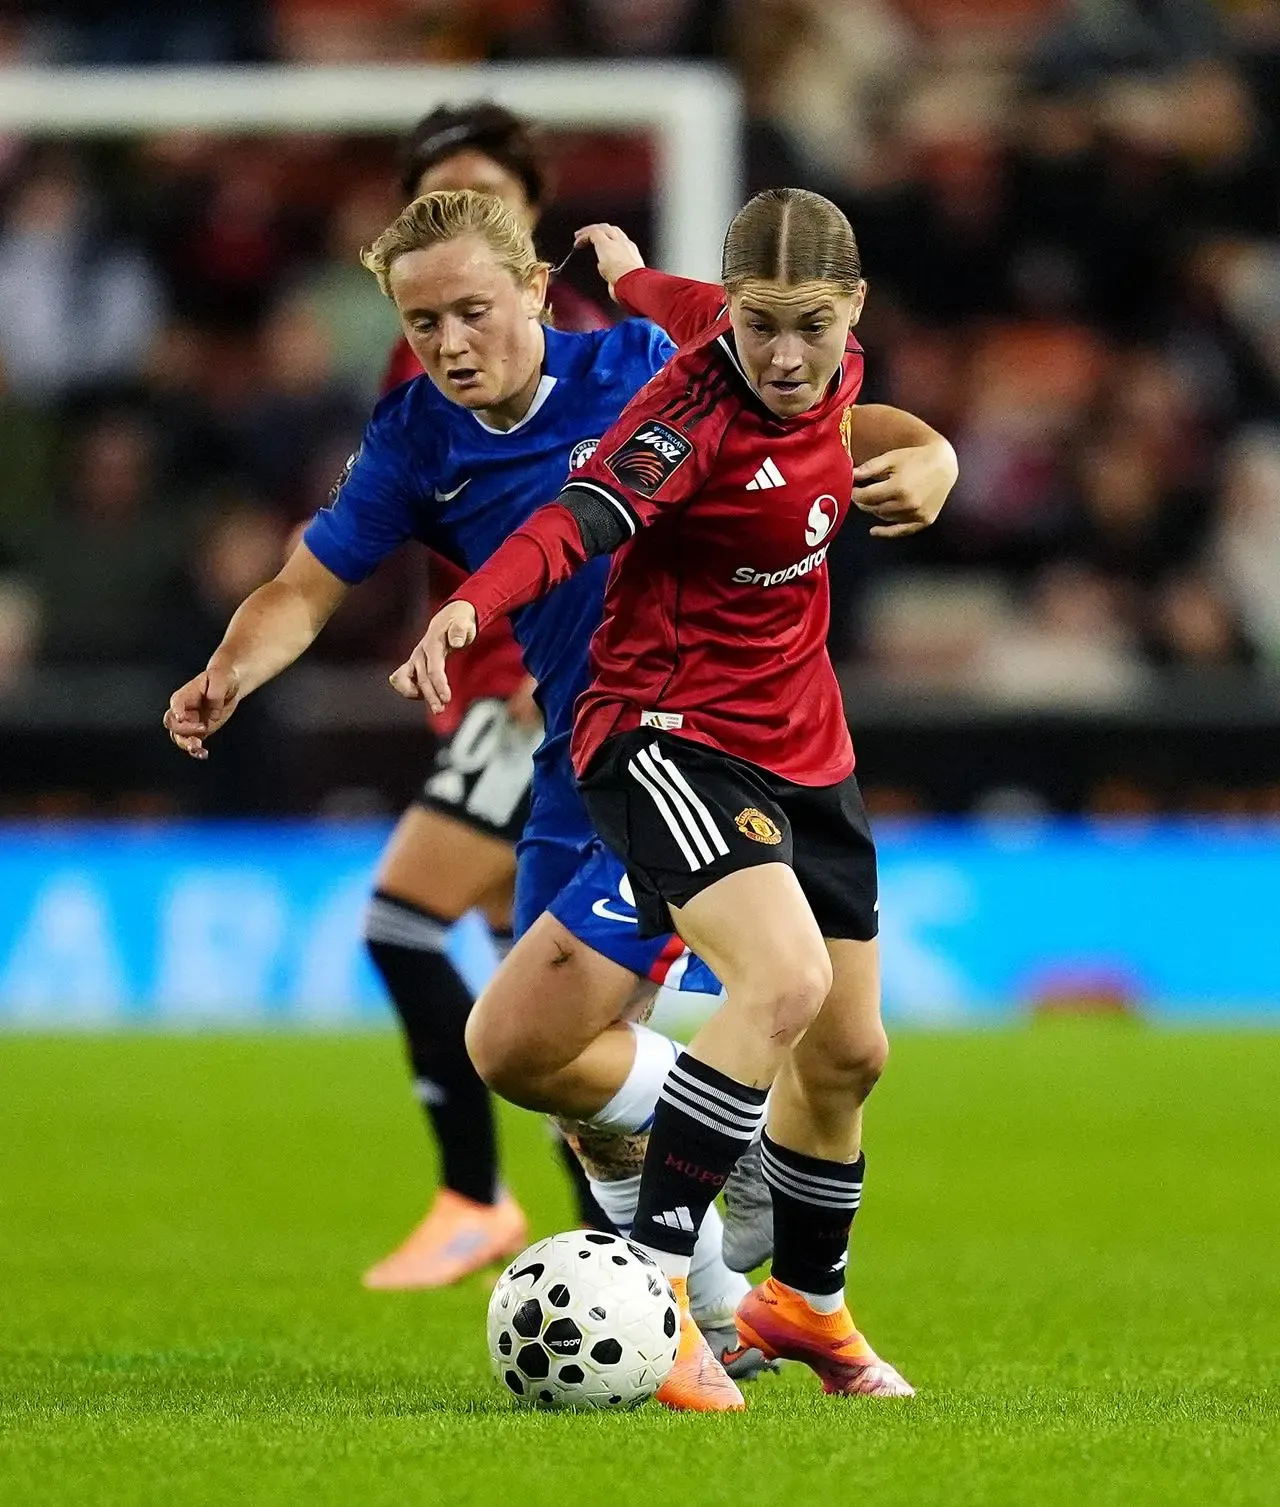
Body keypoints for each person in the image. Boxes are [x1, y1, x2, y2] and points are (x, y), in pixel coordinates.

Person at [165, 188, 955, 1400]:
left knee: (814, 1029)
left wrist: (934, 453)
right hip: (585, 764)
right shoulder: (415, 440)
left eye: (472, 309)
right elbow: (307, 584)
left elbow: (820, 408)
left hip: (689, 745)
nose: (450, 345)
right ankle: (715, 1231)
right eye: (421, 323)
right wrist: (229, 668)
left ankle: (694, 1301)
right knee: (532, 1055)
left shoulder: (655, 364)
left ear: (538, 289)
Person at [397, 188, 945, 1410]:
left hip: (806, 745)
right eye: (759, 329)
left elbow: (666, 299)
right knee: (782, 986)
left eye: (809, 326)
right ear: (734, 322)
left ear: (850, 311)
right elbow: (576, 519)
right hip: (666, 734)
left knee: (849, 1054)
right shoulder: (687, 410)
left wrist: (631, 269)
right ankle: (656, 1297)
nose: (785, 356)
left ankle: (803, 1302)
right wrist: (469, 604)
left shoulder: (805, 352)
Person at [357, 102, 611, 1289]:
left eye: (485, 189)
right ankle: (618, 1251)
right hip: (488, 686)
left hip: (547, 691)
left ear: (531, 221)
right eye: (439, 189)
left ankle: (472, 1193)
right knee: (544, 1000)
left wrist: (516, 676)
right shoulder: (417, 364)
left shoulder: (595, 351)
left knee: (404, 915)